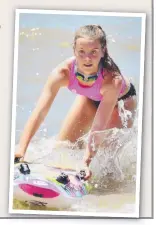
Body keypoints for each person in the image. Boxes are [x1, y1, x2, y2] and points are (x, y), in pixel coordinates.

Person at [15, 24, 137, 180]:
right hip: (90, 99)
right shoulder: (62, 73)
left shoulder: (112, 80)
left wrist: (86, 162)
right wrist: (21, 150)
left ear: (103, 50)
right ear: (74, 50)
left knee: (106, 166)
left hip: (121, 104)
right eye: (81, 52)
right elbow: (39, 112)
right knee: (63, 147)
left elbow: (98, 127)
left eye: (93, 52)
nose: (87, 59)